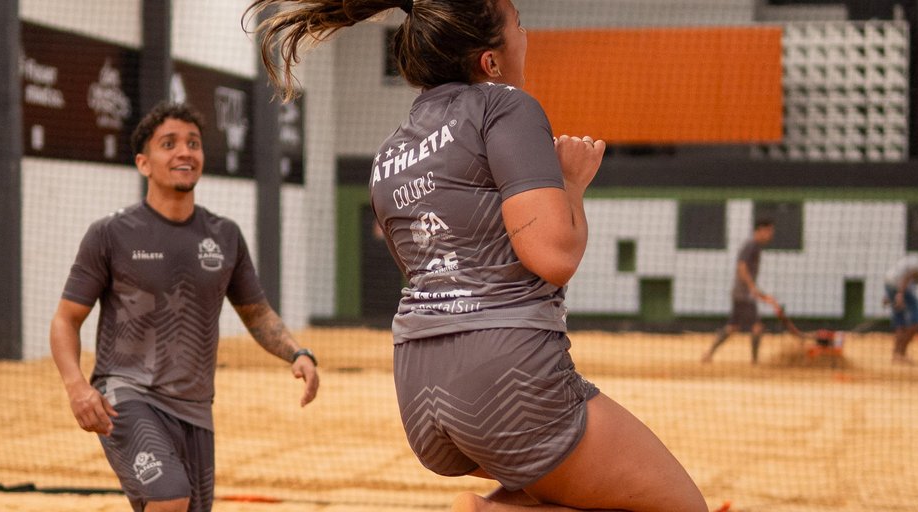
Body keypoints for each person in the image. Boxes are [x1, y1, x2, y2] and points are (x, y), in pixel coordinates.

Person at [245, 1, 707, 510]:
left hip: (420, 389)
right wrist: (571, 184)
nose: (526, 33)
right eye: (518, 25)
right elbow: (553, 255)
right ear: (490, 62)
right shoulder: (505, 104)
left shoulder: (391, 152)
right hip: (506, 376)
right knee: (680, 505)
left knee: (549, 485)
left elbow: (429, 270)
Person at [49, 101, 319, 512]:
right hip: (124, 394)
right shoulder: (110, 234)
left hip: (195, 408)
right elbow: (66, 320)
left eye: (193, 143)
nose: (184, 152)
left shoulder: (225, 235)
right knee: (170, 497)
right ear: (144, 162)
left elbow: (257, 312)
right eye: (169, 143)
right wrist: (76, 388)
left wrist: (296, 353)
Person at [702, 218, 778, 365]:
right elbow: (741, 267)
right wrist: (752, 288)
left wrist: (759, 292)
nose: (771, 235)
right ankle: (755, 361)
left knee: (732, 327)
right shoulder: (751, 246)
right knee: (757, 327)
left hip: (740, 293)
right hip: (744, 295)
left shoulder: (754, 246)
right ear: (761, 230)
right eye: (769, 232)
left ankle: (709, 353)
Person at [883, 256, 918, 364]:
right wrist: (900, 294)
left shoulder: (912, 259)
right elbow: (908, 276)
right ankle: (901, 353)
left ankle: (897, 354)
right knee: (917, 320)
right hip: (899, 288)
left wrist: (887, 295)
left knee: (900, 321)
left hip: (890, 285)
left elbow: (893, 277)